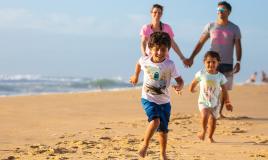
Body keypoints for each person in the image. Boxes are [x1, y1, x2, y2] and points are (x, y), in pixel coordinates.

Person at [130, 32, 184, 159]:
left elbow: (180, 80)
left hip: (165, 102)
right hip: (148, 99)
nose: (159, 52)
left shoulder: (170, 64)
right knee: (155, 121)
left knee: (163, 130)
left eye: (163, 49)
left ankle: (163, 154)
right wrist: (135, 76)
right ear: (150, 48)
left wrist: (179, 86)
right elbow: (138, 64)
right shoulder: (145, 60)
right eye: (156, 49)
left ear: (168, 50)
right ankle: (145, 144)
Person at [185, 1, 242, 118]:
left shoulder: (234, 28)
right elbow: (200, 42)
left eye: (222, 10)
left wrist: (238, 61)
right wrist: (191, 57)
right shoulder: (210, 26)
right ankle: (207, 107)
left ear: (229, 12)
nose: (220, 12)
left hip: (227, 62)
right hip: (211, 62)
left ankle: (218, 112)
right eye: (218, 10)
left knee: (223, 88)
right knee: (210, 85)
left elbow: (238, 45)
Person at [189, 51, 233, 143]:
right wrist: (191, 89)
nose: (211, 64)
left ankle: (210, 136)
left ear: (218, 63)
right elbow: (194, 82)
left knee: (213, 122)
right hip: (203, 101)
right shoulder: (201, 73)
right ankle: (203, 131)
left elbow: (224, 90)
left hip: (215, 103)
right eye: (208, 62)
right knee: (205, 115)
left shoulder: (220, 76)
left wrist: (227, 102)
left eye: (213, 62)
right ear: (204, 62)